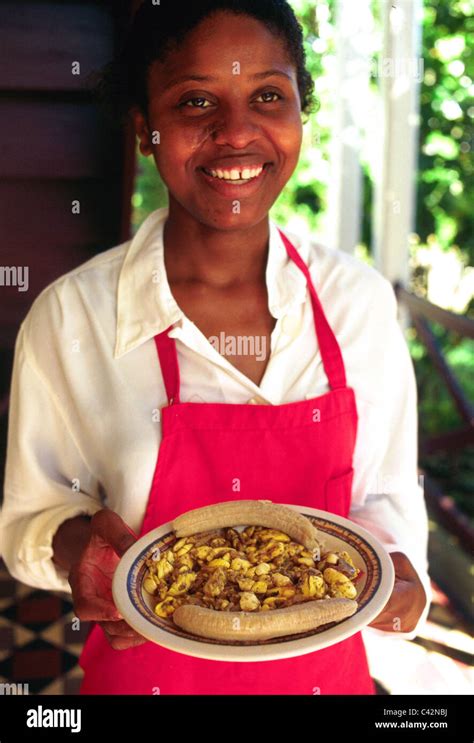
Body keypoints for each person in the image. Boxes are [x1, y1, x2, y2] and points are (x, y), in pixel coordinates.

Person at [0, 0, 430, 694]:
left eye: (268, 95)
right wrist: (79, 548)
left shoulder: (359, 304)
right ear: (145, 129)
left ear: (299, 112)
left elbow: (385, 495)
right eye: (196, 100)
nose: (237, 133)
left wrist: (400, 571)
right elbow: (29, 514)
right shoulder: (71, 317)